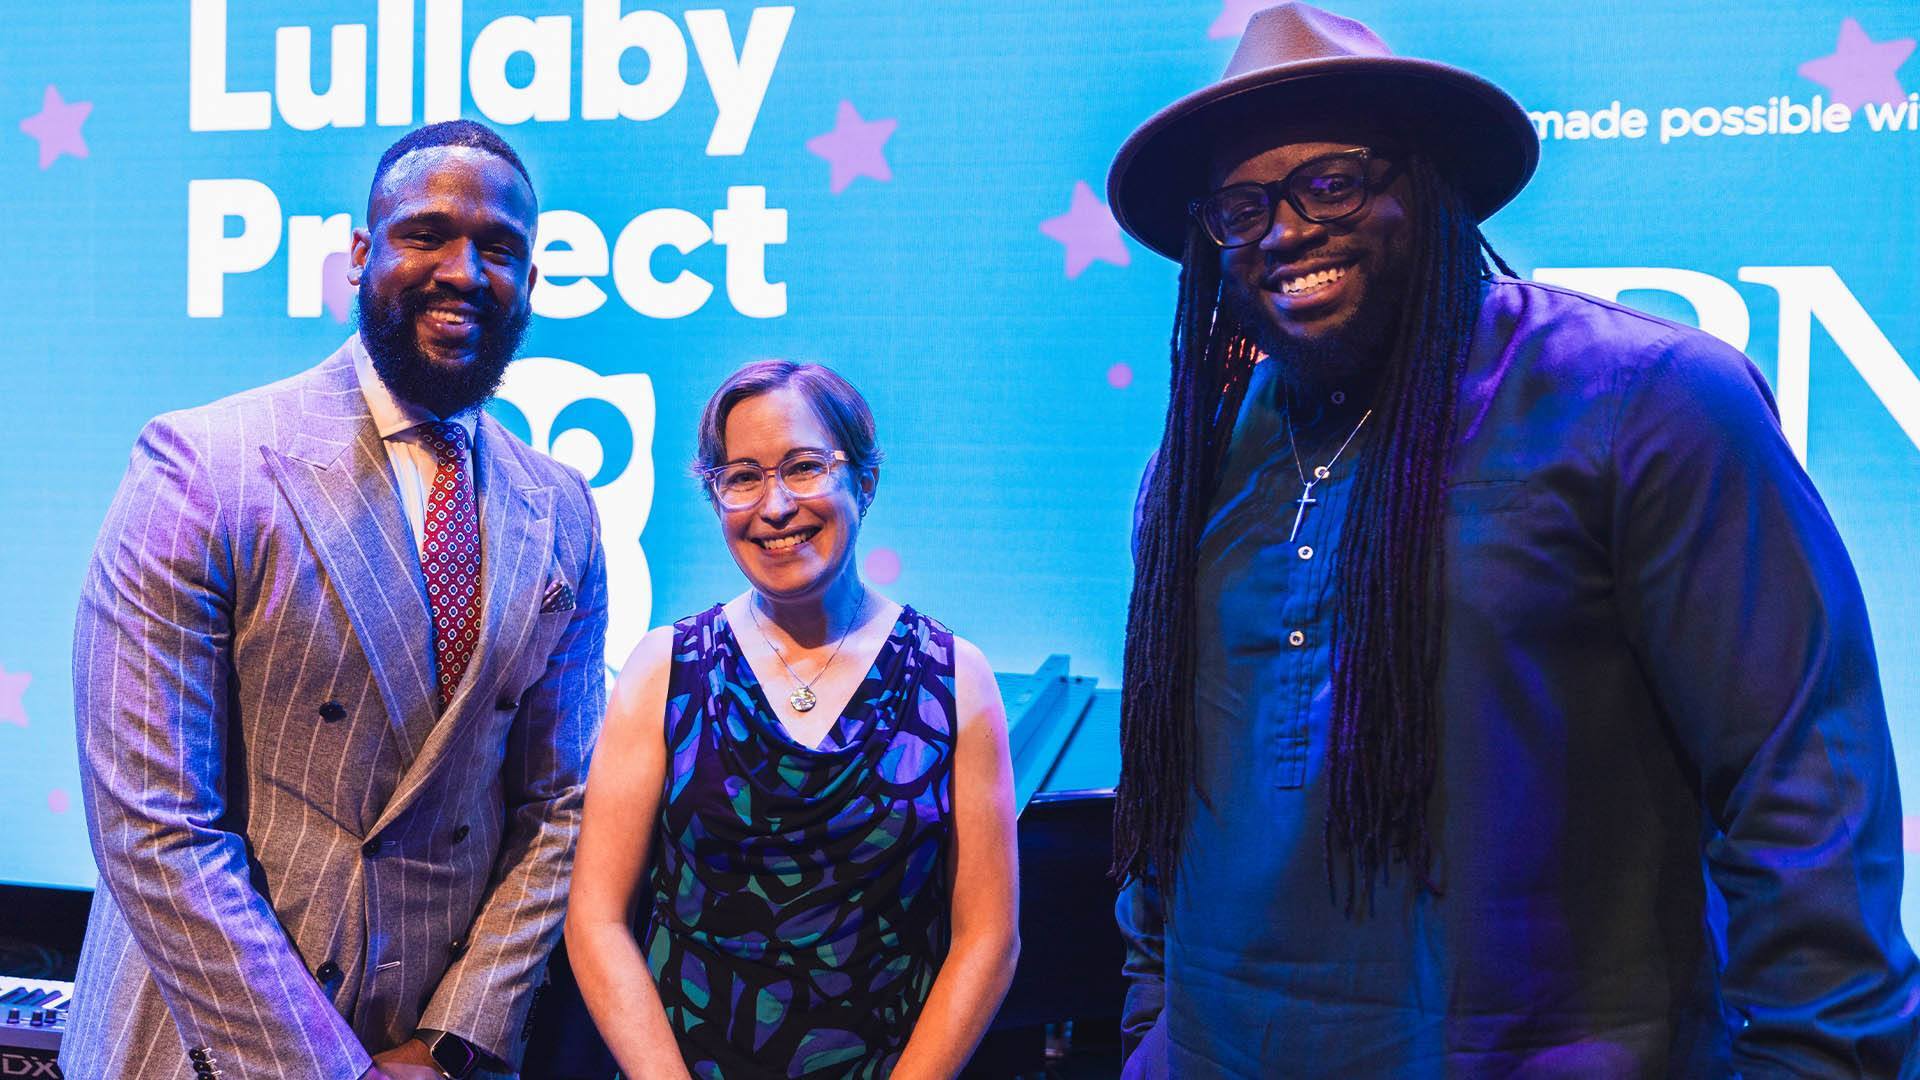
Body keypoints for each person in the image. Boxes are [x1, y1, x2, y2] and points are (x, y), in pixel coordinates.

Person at [1103, 4, 1918, 1076]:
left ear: (1428, 186)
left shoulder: (1648, 401)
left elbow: (1802, 791)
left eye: (1333, 184)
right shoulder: (1199, 461)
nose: (1285, 232)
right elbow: (1173, 802)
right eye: (1242, 208)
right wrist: (1150, 1024)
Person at [64, 120, 607, 1080]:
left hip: (427, 1053)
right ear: (360, 255)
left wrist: (449, 1043)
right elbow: (154, 826)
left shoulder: (560, 507)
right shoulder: (203, 466)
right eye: (427, 234)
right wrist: (331, 1073)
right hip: (204, 1048)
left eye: (501, 248)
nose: (464, 270)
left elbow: (557, 806)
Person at [566, 360, 1019, 1078]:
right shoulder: (662, 670)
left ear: (864, 482)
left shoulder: (957, 678)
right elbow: (595, 919)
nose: (774, 506)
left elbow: (987, 939)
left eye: (804, 467)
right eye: (741, 477)